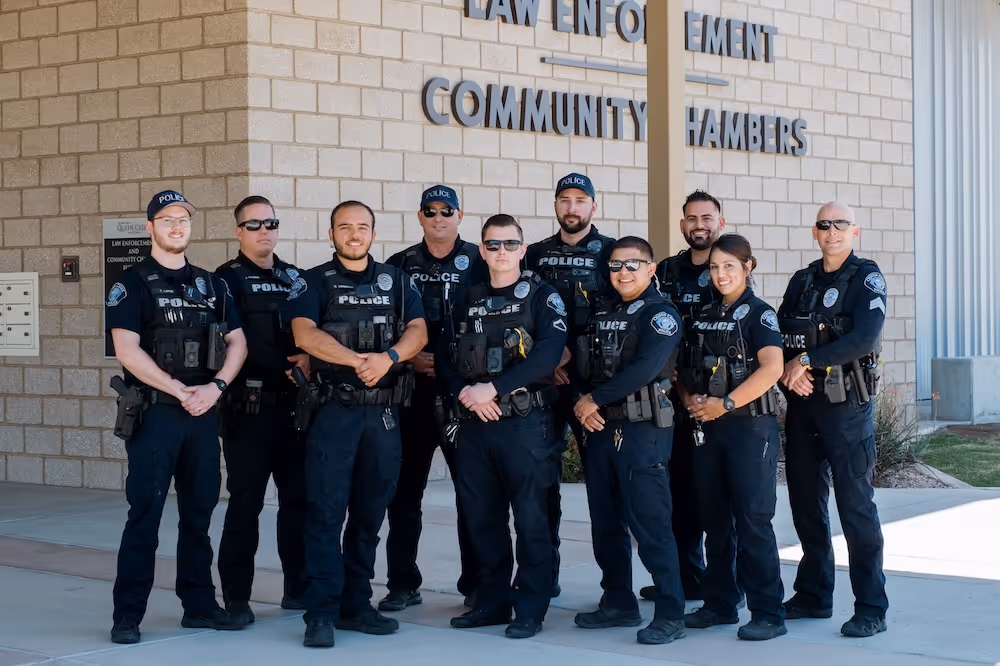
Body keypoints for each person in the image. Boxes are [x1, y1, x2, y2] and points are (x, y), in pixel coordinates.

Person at [106, 190, 248, 644]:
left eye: (183, 219)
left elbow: (238, 344)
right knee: (144, 515)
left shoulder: (213, 285)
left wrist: (217, 387)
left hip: (202, 413)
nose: (176, 226)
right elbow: (127, 350)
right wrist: (177, 388)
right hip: (156, 415)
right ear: (150, 227)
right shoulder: (132, 283)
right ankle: (127, 616)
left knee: (199, 516)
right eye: (166, 219)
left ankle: (200, 606)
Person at [287, 200, 428, 649]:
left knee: (369, 515)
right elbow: (305, 334)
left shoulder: (397, 280)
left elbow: (419, 332)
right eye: (345, 227)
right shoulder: (312, 281)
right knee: (326, 514)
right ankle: (321, 612)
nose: (354, 234)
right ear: (331, 233)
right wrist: (356, 361)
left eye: (362, 227)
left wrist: (387, 359)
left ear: (373, 232)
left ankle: (357, 604)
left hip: (384, 414)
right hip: (335, 412)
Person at [440, 214, 568, 639]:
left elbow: (548, 355)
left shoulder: (542, 295)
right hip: (476, 423)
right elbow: (445, 359)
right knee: (483, 518)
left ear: (522, 248)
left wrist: (492, 389)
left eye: (510, 245)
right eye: (493, 245)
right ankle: (492, 602)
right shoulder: (466, 297)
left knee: (532, 518)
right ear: (481, 250)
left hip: (526, 423)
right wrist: (468, 395)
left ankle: (530, 607)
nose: (501, 253)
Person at [777, 202, 889, 638]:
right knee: (805, 505)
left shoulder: (866, 278)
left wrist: (807, 360)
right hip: (803, 404)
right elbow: (780, 333)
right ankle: (813, 595)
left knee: (855, 509)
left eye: (840, 225)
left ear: (854, 231)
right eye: (825, 225)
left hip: (846, 409)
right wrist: (792, 368)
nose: (832, 231)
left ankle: (871, 607)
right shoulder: (802, 281)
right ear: (815, 232)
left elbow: (866, 337)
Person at [571, 237, 687, 645]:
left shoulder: (661, 315)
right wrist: (584, 403)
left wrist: (591, 400)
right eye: (617, 266)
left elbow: (645, 369)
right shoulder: (602, 310)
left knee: (651, 524)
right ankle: (618, 601)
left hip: (643, 431)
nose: (623, 273)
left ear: (651, 269)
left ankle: (671, 612)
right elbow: (582, 367)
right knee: (606, 522)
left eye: (633, 265)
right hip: (601, 427)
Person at [380, 186, 485, 612]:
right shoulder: (398, 266)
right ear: (419, 217)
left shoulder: (481, 260)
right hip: (411, 393)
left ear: (460, 215)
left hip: (462, 393)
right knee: (404, 492)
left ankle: (476, 583)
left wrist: (447, 363)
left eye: (446, 211)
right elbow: (385, 322)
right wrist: (410, 357)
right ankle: (403, 583)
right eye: (430, 211)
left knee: (472, 492)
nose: (438, 217)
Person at [677, 234, 787, 641]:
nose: (720, 274)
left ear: (748, 267)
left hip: (748, 429)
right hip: (707, 427)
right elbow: (683, 374)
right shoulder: (703, 315)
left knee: (753, 520)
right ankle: (720, 603)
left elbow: (772, 368)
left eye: (729, 266)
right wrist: (692, 400)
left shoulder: (760, 314)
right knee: (715, 520)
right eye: (714, 267)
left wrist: (724, 404)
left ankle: (768, 613)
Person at [215, 195, 309, 625]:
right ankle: (236, 596)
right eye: (253, 225)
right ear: (238, 231)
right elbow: (230, 345)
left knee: (298, 502)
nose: (263, 231)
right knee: (246, 503)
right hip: (249, 409)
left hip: (296, 409)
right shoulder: (225, 280)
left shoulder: (296, 278)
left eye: (270, 222)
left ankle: (299, 587)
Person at [525, 172, 614, 597]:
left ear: (594, 206)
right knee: (542, 482)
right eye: (565, 199)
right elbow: (520, 312)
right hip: (545, 382)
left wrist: (571, 355)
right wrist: (551, 355)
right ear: (556, 205)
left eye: (581, 199)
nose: (572, 207)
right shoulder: (535, 255)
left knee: (603, 484)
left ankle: (615, 589)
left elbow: (624, 316)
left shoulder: (613, 253)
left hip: (593, 387)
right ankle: (544, 577)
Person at [642, 190, 727, 603]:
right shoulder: (669, 270)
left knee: (712, 493)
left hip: (711, 399)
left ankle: (722, 585)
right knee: (676, 491)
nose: (700, 225)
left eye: (707, 218)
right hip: (669, 395)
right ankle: (684, 578)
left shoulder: (726, 267)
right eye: (692, 218)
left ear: (720, 223)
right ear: (682, 225)